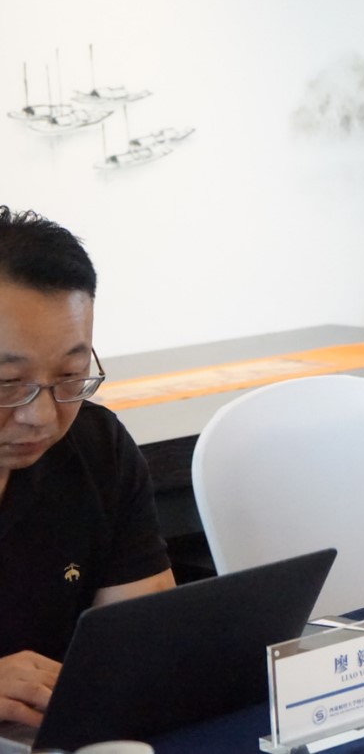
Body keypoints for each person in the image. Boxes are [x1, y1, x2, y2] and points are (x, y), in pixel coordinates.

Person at [0, 207, 174, 728]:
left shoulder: (97, 449)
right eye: (7, 384)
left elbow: (147, 640)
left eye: (71, 377)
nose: (41, 415)